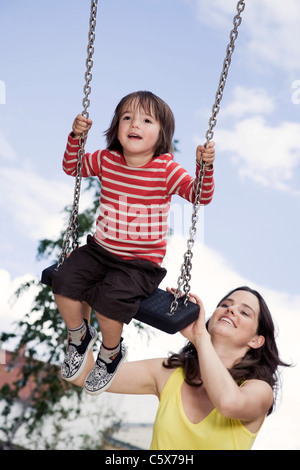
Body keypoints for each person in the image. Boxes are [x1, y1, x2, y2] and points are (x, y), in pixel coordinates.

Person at [52, 90, 215, 396]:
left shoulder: (166, 169)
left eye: (146, 119)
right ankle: (78, 337)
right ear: (116, 128)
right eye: (126, 117)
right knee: (63, 281)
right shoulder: (108, 159)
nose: (134, 124)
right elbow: (73, 167)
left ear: (162, 134)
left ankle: (110, 354)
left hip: (140, 265)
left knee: (109, 301)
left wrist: (204, 167)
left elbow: (199, 196)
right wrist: (76, 135)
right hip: (99, 250)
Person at [92, 286, 289, 450]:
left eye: (244, 312)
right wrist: (79, 312)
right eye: (225, 305)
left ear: (256, 340)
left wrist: (200, 337)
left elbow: (228, 402)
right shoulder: (168, 372)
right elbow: (86, 377)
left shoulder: (260, 391)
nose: (230, 310)